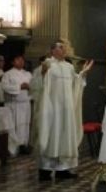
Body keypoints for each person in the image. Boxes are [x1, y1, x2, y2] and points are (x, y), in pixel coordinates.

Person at [37, 41, 94, 181]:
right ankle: (45, 169)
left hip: (66, 109)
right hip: (52, 109)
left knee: (65, 135)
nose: (64, 50)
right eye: (60, 47)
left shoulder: (69, 67)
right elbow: (39, 84)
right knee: (51, 135)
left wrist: (83, 74)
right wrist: (43, 73)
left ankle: (63, 169)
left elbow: (76, 83)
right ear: (52, 50)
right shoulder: (47, 64)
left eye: (64, 48)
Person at [2, 55, 33, 156]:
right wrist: (19, 86)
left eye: (22, 60)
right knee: (15, 125)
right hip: (14, 104)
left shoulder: (28, 74)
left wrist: (30, 87)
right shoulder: (8, 74)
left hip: (25, 103)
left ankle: (24, 145)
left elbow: (34, 86)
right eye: (18, 59)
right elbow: (5, 87)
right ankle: (16, 147)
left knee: (24, 125)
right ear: (12, 62)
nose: (21, 61)